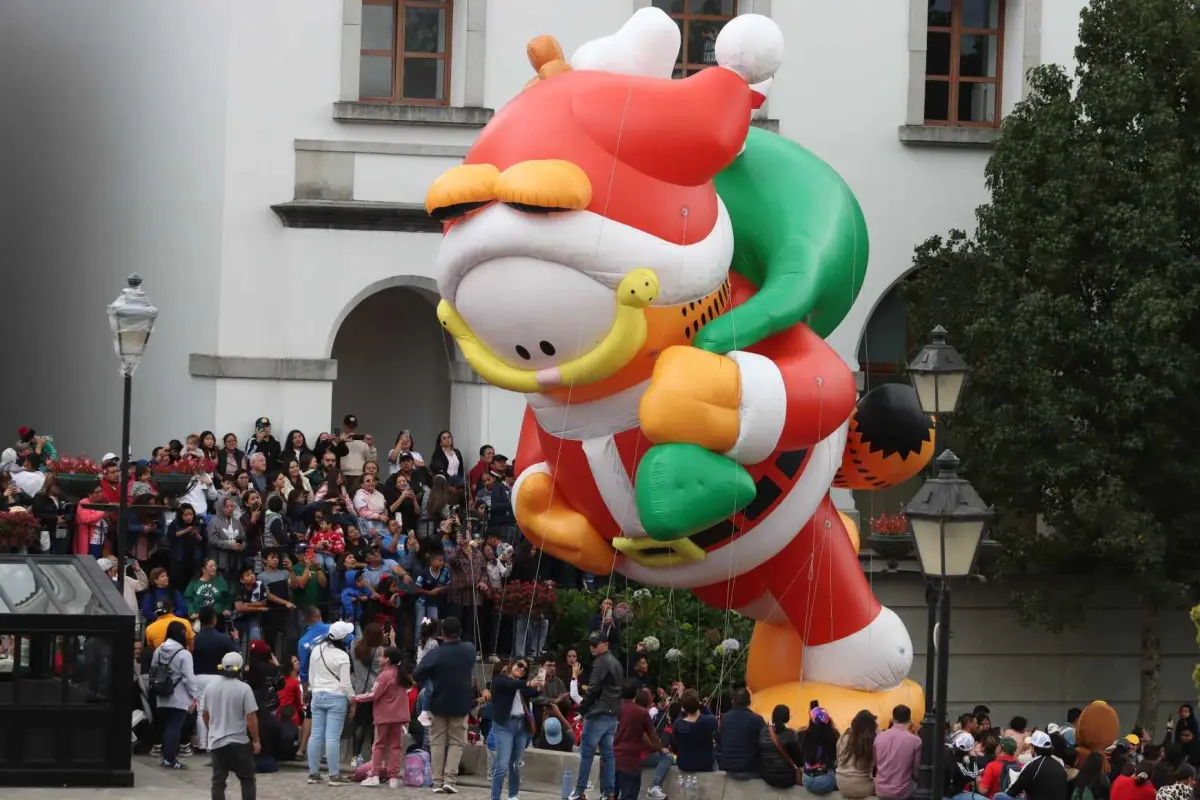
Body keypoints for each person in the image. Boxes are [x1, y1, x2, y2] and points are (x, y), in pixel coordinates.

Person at [413, 616, 477, 794]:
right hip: (461, 702)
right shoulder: (469, 649)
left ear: (441, 634)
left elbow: (417, 673)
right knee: (457, 742)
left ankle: (437, 781)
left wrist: (429, 683)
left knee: (437, 742)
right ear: (460, 632)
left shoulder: (436, 653)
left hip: (437, 702)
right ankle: (450, 779)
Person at [570, 630, 624, 800]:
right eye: (591, 644)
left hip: (599, 712)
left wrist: (583, 710)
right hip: (612, 714)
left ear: (605, 644)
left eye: (596, 644)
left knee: (587, 753)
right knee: (608, 755)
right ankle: (609, 793)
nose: (592, 647)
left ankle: (579, 791)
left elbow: (593, 689)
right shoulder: (616, 662)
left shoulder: (601, 662)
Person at [353, 645, 413, 788]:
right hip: (398, 717)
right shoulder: (401, 674)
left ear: (387, 659)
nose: (380, 658)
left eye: (382, 656)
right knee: (395, 746)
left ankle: (374, 775)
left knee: (378, 745)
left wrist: (356, 698)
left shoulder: (384, 675)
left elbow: (374, 694)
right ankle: (393, 777)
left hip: (384, 716)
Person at [203, 652, 260, 800]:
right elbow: (251, 717)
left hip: (217, 742)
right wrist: (256, 740)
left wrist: (212, 729)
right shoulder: (244, 688)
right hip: (239, 742)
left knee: (218, 782)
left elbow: (204, 713)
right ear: (240, 668)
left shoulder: (210, 687)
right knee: (247, 780)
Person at [305, 620, 355, 786]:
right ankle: (334, 775)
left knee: (316, 734)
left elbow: (311, 676)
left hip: (318, 694)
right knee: (332, 737)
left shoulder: (316, 650)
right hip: (337, 697)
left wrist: (314, 689)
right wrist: (352, 698)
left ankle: (313, 773)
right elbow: (346, 684)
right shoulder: (342, 656)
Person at [489, 658, 544, 800]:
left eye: (525, 668)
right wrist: (529, 683)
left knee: (516, 764)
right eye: (519, 665)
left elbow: (532, 693)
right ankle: (495, 797)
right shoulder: (500, 680)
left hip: (521, 726)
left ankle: (513, 796)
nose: (521, 669)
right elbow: (509, 685)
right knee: (502, 764)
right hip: (504, 726)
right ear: (511, 665)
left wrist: (538, 687)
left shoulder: (521, 684)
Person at [151, 620, 201, 770]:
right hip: (179, 696)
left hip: (161, 694)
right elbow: (188, 678)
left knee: (167, 727)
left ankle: (166, 757)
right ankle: (170, 759)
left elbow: (153, 669)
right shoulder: (184, 653)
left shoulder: (158, 650)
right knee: (174, 728)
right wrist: (195, 695)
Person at [614, 679, 660, 800]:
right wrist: (658, 748)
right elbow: (652, 736)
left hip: (610, 759)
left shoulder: (613, 708)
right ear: (636, 693)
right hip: (630, 762)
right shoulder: (642, 713)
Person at [995, 731, 1069, 800]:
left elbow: (1012, 791)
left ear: (1033, 747)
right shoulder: (1059, 764)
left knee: (999, 796)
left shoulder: (1034, 764)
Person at [874, 704, 922, 800]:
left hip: (880, 790)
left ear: (893, 718)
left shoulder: (879, 737)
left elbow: (876, 763)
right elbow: (916, 771)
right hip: (902, 792)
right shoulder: (915, 741)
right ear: (909, 719)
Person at [717, 687, 764, 779]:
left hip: (727, 766)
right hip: (749, 768)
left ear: (732, 702)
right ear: (749, 703)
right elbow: (765, 742)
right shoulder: (757, 719)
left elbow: (719, 740)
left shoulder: (724, 718)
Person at [759, 704, 804, 789]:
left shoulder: (763, 732)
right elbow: (799, 758)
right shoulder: (791, 734)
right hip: (786, 778)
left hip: (767, 776)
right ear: (787, 718)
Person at [837, 710, 878, 799]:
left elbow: (838, 758)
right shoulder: (873, 741)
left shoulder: (844, 737)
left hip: (841, 784)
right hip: (862, 787)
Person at [801, 705, 840, 794]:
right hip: (824, 783)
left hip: (806, 779)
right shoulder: (834, 736)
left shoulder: (803, 735)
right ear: (829, 721)